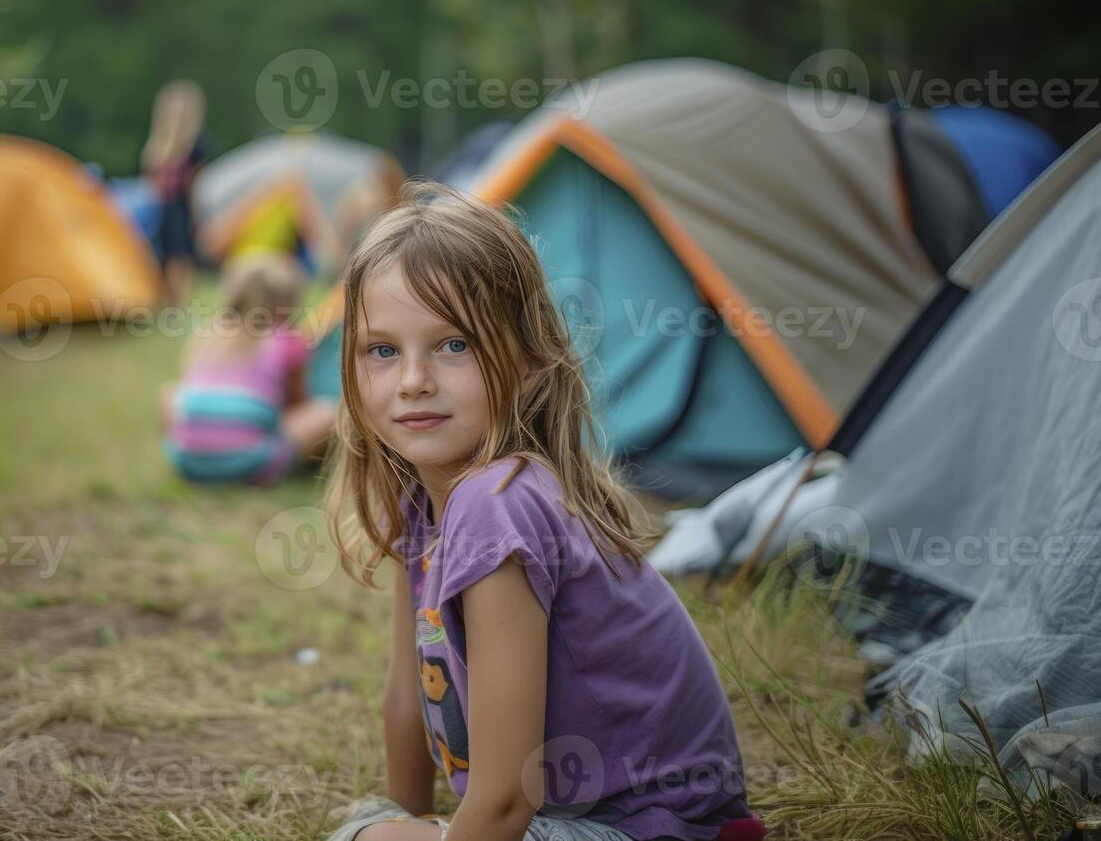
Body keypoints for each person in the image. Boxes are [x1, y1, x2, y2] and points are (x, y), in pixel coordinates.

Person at [320, 182, 761, 841]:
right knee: (378, 831)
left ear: (529, 361)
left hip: (646, 830)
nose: (412, 379)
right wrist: (403, 816)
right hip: (582, 823)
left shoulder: (497, 501)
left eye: (453, 344)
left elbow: (503, 802)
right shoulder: (425, 499)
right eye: (382, 351)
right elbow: (407, 692)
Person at [159, 252, 337, 486]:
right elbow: (297, 404)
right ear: (285, 302)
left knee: (170, 393)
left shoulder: (207, 334)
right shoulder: (287, 339)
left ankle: (197, 445)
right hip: (252, 460)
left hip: (186, 460)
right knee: (328, 414)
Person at [142, 79, 208, 306]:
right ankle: (177, 304)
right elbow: (195, 183)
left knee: (165, 256)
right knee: (180, 258)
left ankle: (170, 302)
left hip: (158, 208)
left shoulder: (155, 146)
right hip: (179, 208)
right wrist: (196, 216)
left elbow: (148, 181)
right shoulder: (196, 146)